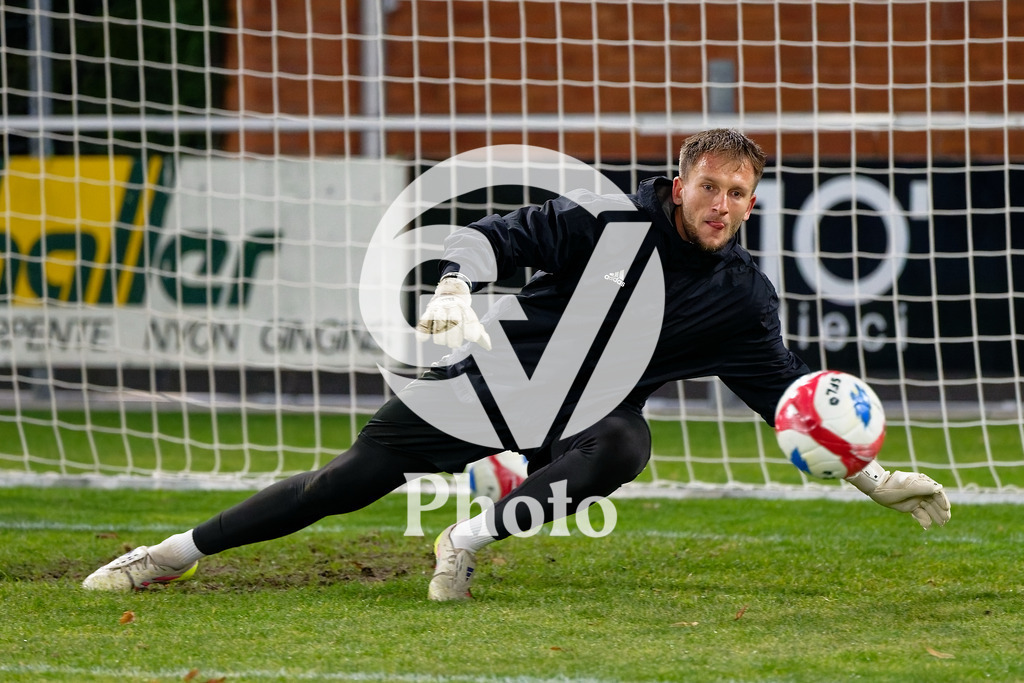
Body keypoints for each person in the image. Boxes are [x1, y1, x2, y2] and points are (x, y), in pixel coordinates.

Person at [82, 129, 951, 599]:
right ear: (676, 182)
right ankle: (167, 553)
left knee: (626, 446)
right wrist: (457, 285)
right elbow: (488, 236)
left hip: (583, 419)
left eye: (737, 193)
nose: (720, 203)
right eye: (708, 185)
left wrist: (874, 477)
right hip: (491, 380)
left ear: (752, 204)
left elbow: (786, 399)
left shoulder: (741, 297)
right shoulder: (604, 219)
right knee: (345, 480)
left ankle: (463, 539)